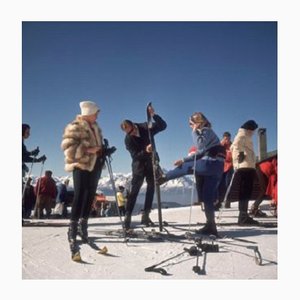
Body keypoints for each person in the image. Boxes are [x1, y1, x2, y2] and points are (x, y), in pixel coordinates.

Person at [61, 100, 116, 256]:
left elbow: (98, 149)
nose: (98, 115)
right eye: (96, 112)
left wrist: (104, 151)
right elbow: (69, 148)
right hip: (81, 165)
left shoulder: (96, 128)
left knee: (90, 196)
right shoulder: (75, 126)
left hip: (96, 166)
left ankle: (83, 227)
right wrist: (91, 150)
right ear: (89, 112)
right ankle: (72, 229)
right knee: (80, 195)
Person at [158, 112, 225, 236]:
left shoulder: (206, 131)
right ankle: (211, 226)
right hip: (217, 168)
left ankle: (163, 178)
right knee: (207, 197)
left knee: (186, 167)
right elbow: (200, 153)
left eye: (191, 124)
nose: (190, 126)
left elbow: (200, 145)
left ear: (198, 123)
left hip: (210, 164)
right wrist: (183, 159)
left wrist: (194, 131)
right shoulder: (210, 134)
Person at [120, 105, 167, 230]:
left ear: (134, 125)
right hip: (139, 166)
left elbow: (163, 126)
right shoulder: (128, 140)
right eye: (129, 133)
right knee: (134, 191)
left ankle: (146, 215)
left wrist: (154, 116)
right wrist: (146, 150)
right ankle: (128, 217)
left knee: (151, 188)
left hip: (152, 162)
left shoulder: (146, 127)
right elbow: (135, 156)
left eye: (132, 131)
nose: (132, 134)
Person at [230, 120, 259, 225]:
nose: (253, 132)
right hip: (245, 166)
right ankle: (243, 217)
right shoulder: (242, 134)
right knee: (245, 191)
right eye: (253, 130)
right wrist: (241, 154)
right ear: (249, 128)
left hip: (246, 165)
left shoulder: (244, 135)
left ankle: (243, 216)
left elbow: (234, 146)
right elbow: (235, 145)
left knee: (245, 191)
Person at [216, 131, 234, 209]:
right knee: (220, 185)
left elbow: (233, 155)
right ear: (223, 138)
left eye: (228, 138)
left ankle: (227, 201)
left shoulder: (232, 146)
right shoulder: (220, 145)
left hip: (229, 167)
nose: (227, 140)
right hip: (220, 167)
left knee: (228, 184)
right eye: (225, 138)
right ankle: (219, 201)